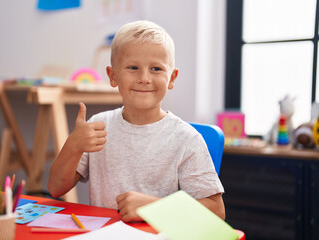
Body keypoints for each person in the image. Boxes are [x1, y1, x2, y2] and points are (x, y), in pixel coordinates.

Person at [48, 20, 225, 222]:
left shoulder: (186, 139)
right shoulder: (98, 126)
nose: (144, 78)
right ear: (113, 76)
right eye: (133, 67)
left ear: (172, 78)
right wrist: (73, 146)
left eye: (156, 69)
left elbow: (216, 212)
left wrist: (154, 208)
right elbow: (55, 188)